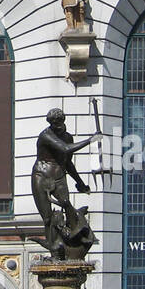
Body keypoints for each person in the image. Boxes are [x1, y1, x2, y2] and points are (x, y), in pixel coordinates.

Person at [31, 109, 97, 257]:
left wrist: (79, 182)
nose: (57, 125)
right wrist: (90, 140)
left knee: (67, 203)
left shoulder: (68, 137)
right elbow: (65, 149)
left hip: (59, 175)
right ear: (51, 124)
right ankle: (55, 251)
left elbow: (67, 163)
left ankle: (74, 240)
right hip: (41, 175)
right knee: (47, 217)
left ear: (63, 120)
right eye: (54, 123)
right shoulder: (46, 135)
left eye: (59, 122)